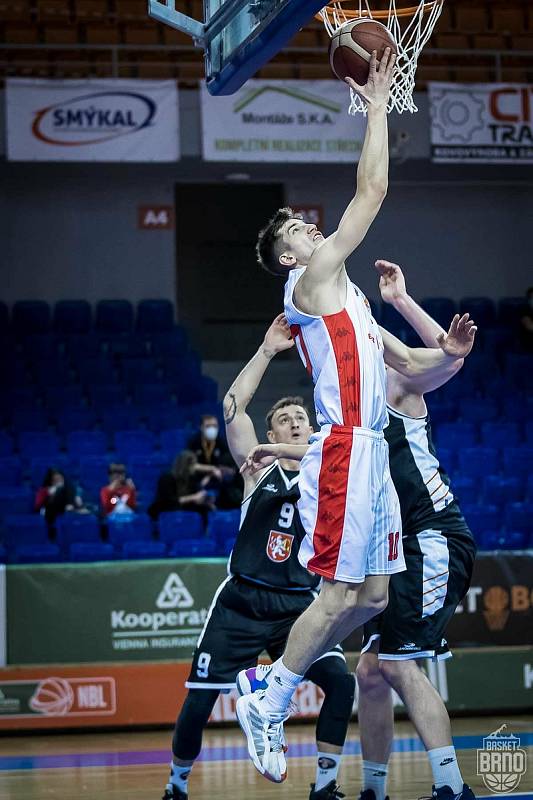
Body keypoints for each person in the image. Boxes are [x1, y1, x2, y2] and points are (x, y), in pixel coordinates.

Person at [235, 50, 476, 785]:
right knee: (342, 594)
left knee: (373, 595)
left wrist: (452, 351)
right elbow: (369, 191)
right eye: (297, 229)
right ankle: (268, 693)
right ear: (286, 258)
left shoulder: (355, 306)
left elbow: (413, 368)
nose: (310, 228)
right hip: (343, 449)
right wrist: (376, 106)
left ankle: (268, 685)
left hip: (372, 452)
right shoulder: (310, 283)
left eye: (308, 225)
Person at [241, 261, 477, 800]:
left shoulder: (393, 387)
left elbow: (444, 360)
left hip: (431, 535)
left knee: (394, 664)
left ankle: (450, 786)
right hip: (390, 540)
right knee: (369, 672)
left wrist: (399, 299)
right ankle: (373, 788)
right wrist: (281, 448)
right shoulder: (349, 412)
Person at [161, 315, 355, 800]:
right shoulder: (257, 470)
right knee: (199, 700)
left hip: (298, 607)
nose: (294, 423)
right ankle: (176, 786)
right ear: (271, 433)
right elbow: (231, 408)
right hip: (243, 601)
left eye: (300, 419)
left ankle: (326, 786)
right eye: (284, 420)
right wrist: (268, 350)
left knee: (341, 683)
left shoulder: (328, 476)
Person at [187, 415, 243, 509]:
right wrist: (212, 469)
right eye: (208, 426)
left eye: (214, 426)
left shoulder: (222, 442)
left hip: (218, 478)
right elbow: (191, 466)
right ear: (201, 427)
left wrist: (211, 475)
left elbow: (227, 466)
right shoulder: (193, 442)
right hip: (198, 478)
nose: (212, 429)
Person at [148, 450, 216, 523]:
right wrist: (193, 497)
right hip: (166, 508)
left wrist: (203, 500)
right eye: (192, 465)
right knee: (175, 510)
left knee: (207, 508)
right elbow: (168, 501)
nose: (195, 467)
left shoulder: (191, 478)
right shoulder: (167, 478)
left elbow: (196, 495)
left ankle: (204, 532)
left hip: (184, 507)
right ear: (184, 465)